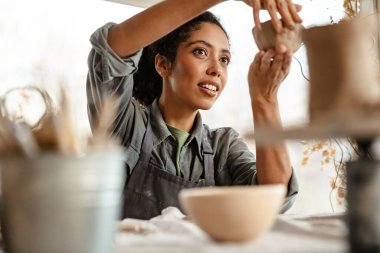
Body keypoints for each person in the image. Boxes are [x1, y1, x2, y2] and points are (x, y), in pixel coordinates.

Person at [87, 0, 302, 219]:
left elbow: (274, 198)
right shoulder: (126, 125)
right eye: (200, 52)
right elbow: (112, 49)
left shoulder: (223, 147)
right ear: (163, 64)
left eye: (224, 59)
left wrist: (265, 100)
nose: (217, 69)